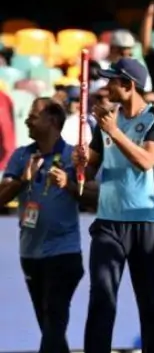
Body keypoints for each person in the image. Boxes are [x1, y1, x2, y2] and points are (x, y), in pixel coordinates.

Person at [77, 58, 154, 353]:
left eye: (112, 81)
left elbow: (146, 161)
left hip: (147, 223)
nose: (106, 87)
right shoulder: (108, 119)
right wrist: (80, 161)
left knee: (148, 303)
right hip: (108, 222)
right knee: (102, 298)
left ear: (129, 86)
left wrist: (115, 132)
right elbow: (90, 170)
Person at [0, 98, 94, 353]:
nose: (27, 120)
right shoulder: (22, 155)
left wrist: (70, 185)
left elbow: (96, 197)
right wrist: (22, 181)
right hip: (30, 254)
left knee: (54, 316)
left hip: (64, 252)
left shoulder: (73, 156)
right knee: (50, 325)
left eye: (33, 115)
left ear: (52, 120)